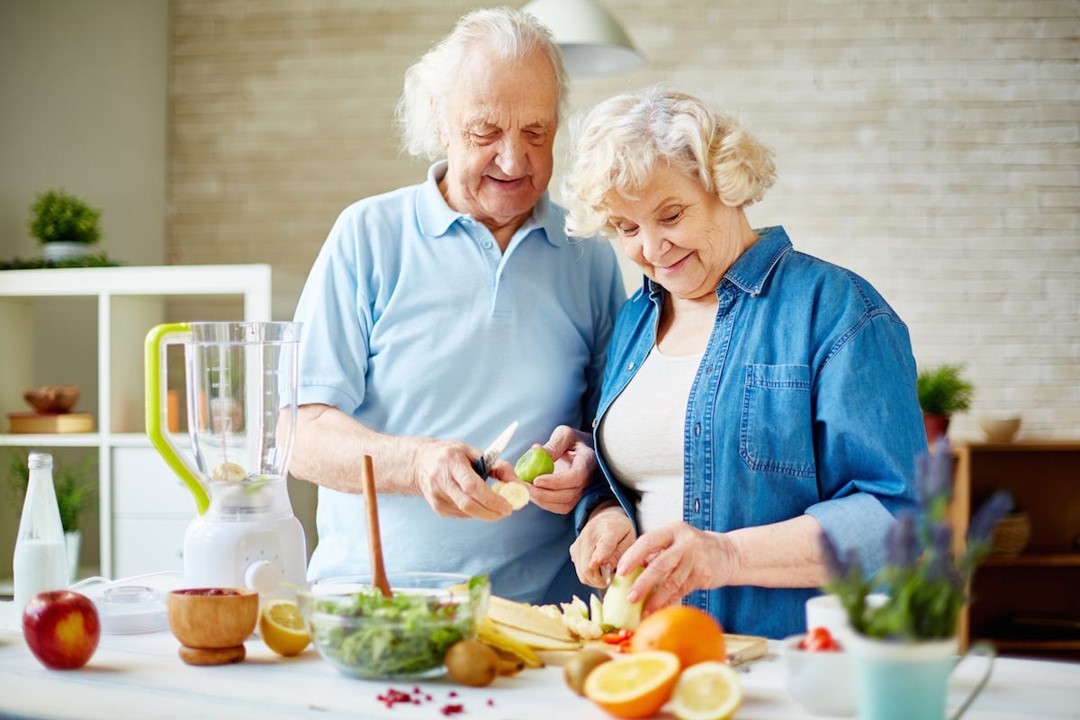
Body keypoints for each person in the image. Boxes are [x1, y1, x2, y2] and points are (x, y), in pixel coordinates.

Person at [288, 8, 625, 604]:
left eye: (536, 132)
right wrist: (416, 464)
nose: (514, 161)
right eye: (485, 132)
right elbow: (300, 433)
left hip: (542, 616)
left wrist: (590, 467)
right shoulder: (367, 235)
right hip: (379, 606)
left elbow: (613, 424)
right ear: (440, 123)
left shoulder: (588, 253)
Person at [561, 88, 925, 638]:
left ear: (724, 183)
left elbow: (897, 521)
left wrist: (726, 556)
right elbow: (637, 477)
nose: (652, 250)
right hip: (651, 651)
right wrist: (605, 514)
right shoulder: (636, 318)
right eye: (627, 228)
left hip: (786, 655)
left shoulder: (837, 310)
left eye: (670, 215)